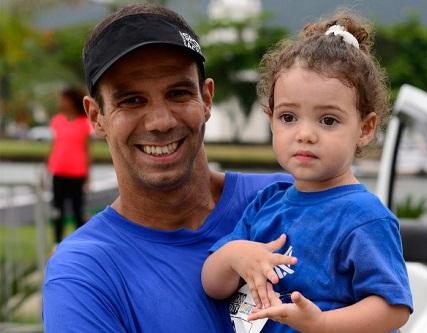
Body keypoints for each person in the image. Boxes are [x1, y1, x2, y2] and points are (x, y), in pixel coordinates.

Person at [42, 3, 290, 333]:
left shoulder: (287, 202)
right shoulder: (84, 273)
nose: (160, 121)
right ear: (95, 116)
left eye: (177, 93)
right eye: (131, 100)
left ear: (206, 99)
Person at [202, 10, 413, 333]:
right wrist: (234, 254)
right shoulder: (267, 203)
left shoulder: (364, 216)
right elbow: (213, 285)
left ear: (365, 128)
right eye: (288, 117)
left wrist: (323, 323)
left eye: (328, 120)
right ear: (270, 119)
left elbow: (393, 307)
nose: (305, 134)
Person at [47, 86, 92, 244]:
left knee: (77, 211)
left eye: (63, 98)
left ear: (71, 101)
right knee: (57, 210)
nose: (61, 102)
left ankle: (79, 243)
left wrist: (88, 176)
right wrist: (47, 170)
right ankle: (56, 243)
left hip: (77, 173)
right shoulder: (57, 121)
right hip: (58, 172)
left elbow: (87, 150)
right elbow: (54, 146)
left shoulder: (84, 123)